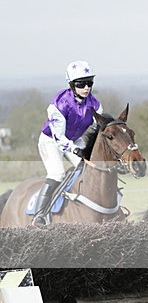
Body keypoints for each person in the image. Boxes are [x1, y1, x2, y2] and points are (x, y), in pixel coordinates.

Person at [32, 60, 103, 227]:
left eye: (89, 83)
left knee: (89, 167)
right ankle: (39, 215)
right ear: (71, 85)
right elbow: (59, 138)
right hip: (51, 141)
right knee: (58, 174)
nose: (86, 88)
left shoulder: (95, 104)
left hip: (72, 139)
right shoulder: (59, 104)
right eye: (81, 84)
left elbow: (100, 127)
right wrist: (76, 150)